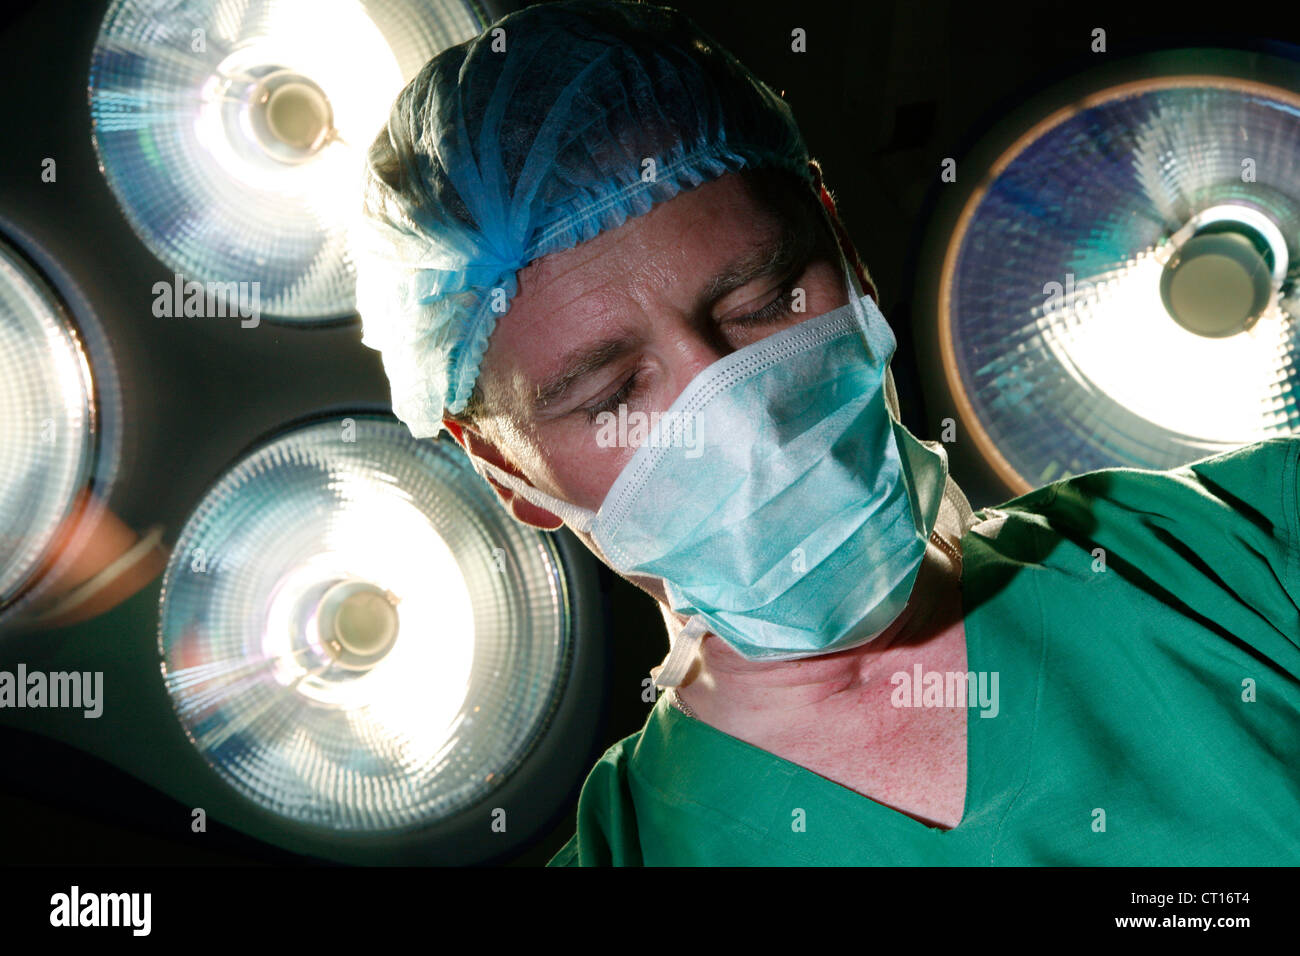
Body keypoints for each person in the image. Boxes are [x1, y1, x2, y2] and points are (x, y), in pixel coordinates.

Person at [353, 0, 1300, 865]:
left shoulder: (1242, 554)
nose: (741, 415)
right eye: (610, 395)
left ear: (845, 254)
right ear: (505, 471)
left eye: (765, 303)